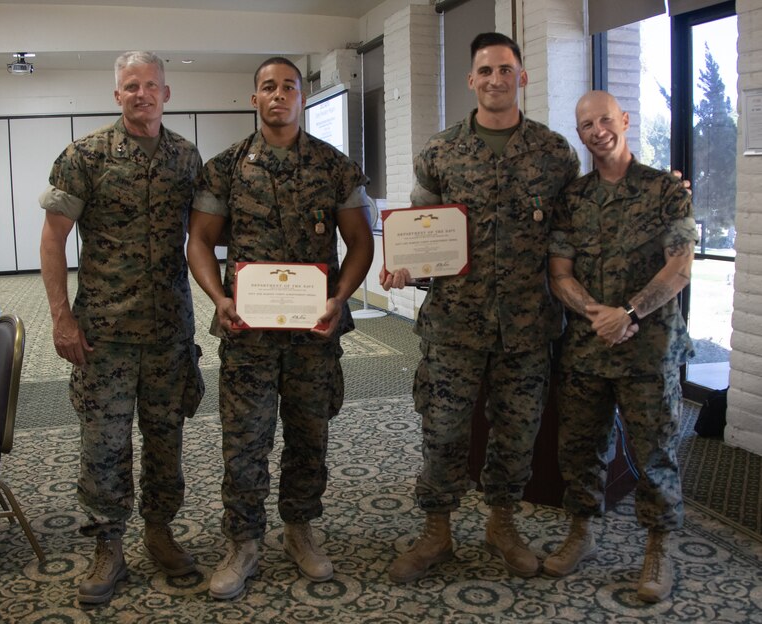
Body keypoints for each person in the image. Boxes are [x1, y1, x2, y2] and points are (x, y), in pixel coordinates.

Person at [380, 32, 581, 582]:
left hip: (528, 327)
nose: (496, 79)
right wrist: (403, 265)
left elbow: (572, 234)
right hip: (453, 326)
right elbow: (420, 233)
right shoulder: (440, 152)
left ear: (522, 77)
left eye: (506, 69)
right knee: (442, 431)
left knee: (516, 434)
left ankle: (501, 523)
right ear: (471, 80)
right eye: (485, 70)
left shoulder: (556, 153)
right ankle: (437, 533)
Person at [187, 57, 374, 600]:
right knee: (244, 442)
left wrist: (340, 298)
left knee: (309, 436)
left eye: (288, 86)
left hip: (314, 333)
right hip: (248, 332)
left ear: (301, 97)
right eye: (268, 87)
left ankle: (300, 529)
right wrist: (219, 298)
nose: (278, 95)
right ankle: (242, 543)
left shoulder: (336, 166)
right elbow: (200, 241)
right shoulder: (223, 168)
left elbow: (360, 242)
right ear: (254, 99)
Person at [39, 51, 204, 605]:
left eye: (151, 85)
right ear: (117, 96)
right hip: (104, 333)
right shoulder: (84, 156)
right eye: (130, 86)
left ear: (166, 93)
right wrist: (61, 318)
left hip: (169, 332)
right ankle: (107, 546)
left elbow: (203, 234)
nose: (142, 94)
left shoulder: (186, 156)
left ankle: (159, 532)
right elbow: (53, 238)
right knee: (103, 445)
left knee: (166, 439)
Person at [545, 90, 697, 603]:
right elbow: (559, 272)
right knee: (581, 450)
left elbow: (679, 267)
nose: (596, 130)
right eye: (585, 124)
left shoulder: (664, 190)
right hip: (588, 349)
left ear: (624, 120)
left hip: (649, 351)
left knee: (654, 452)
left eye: (604, 119)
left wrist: (628, 313)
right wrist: (596, 314)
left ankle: (658, 549)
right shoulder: (573, 197)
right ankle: (581, 533)